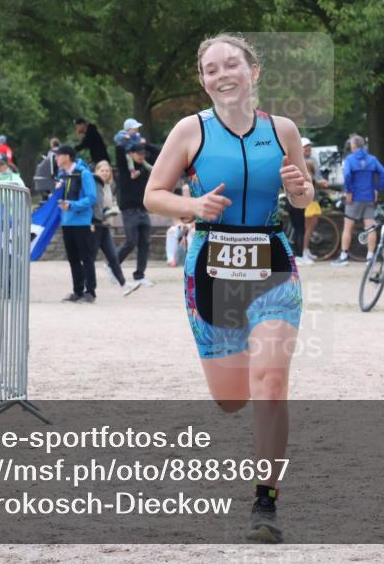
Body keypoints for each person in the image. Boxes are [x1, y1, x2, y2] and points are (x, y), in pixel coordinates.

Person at [143, 33, 313, 543]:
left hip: (272, 265)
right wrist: (193, 207)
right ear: (204, 80)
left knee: (270, 385)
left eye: (231, 64)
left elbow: (303, 198)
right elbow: (154, 195)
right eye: (211, 69)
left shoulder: (281, 130)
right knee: (232, 399)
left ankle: (266, 502)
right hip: (210, 269)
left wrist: (301, 191)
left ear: (253, 71)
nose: (222, 74)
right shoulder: (189, 130)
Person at [331, 134, 384, 266]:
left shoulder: (350, 159)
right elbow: (383, 173)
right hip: (369, 197)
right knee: (370, 227)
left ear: (354, 146)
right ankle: (370, 257)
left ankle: (344, 256)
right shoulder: (372, 159)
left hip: (354, 198)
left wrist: (349, 191)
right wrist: (377, 189)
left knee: (348, 227)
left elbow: (347, 174)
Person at [55, 145, 98, 303]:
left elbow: (92, 198)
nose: (56, 158)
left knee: (86, 257)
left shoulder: (84, 173)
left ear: (67, 156)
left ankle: (90, 291)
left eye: (58, 155)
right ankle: (78, 291)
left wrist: (72, 205)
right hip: (67, 222)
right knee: (73, 258)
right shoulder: (62, 175)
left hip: (81, 221)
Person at [91, 160, 140, 296]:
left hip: (104, 225)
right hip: (95, 225)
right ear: (96, 171)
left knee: (113, 256)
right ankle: (86, 288)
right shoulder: (94, 185)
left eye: (107, 171)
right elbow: (93, 205)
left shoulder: (108, 186)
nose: (105, 173)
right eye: (102, 170)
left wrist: (110, 211)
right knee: (90, 258)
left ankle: (124, 284)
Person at [115, 141, 154, 287]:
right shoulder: (125, 168)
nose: (141, 156)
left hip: (142, 210)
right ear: (131, 154)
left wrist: (146, 144)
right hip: (129, 210)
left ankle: (139, 275)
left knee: (145, 243)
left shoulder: (144, 167)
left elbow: (157, 153)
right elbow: (119, 150)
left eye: (143, 153)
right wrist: (125, 139)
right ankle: (113, 265)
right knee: (131, 241)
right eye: (138, 153)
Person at [300, 137, 329, 263]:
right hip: (307, 198)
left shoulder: (313, 160)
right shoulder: (299, 161)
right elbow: (309, 179)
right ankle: (304, 251)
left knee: (312, 225)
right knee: (308, 227)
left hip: (314, 196)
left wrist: (321, 181)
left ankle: (306, 251)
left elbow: (316, 177)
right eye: (305, 147)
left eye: (309, 146)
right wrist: (319, 182)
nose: (308, 149)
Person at [165, 181, 196, 267]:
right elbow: (176, 219)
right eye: (184, 192)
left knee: (192, 233)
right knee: (171, 231)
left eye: (187, 192)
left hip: (194, 227)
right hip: (182, 227)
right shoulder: (178, 204)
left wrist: (189, 226)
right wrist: (180, 226)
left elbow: (201, 219)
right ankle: (171, 260)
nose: (185, 194)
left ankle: (191, 260)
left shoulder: (197, 202)